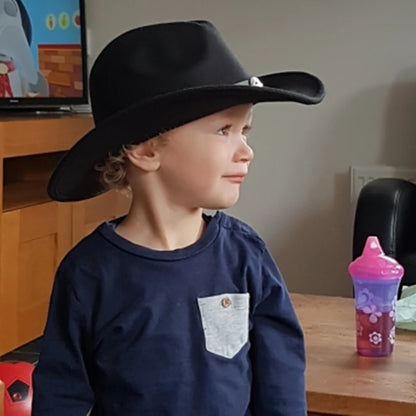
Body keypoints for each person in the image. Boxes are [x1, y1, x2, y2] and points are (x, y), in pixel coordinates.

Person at [32, 20, 325, 415]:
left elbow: (281, 382)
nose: (246, 151)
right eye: (224, 130)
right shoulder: (89, 273)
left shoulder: (245, 256)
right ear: (146, 150)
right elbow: (61, 393)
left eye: (246, 131)